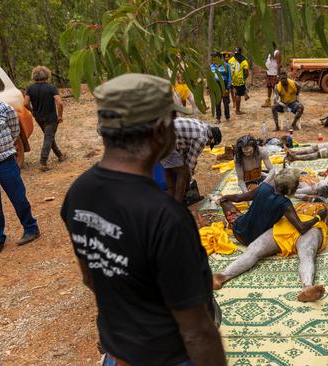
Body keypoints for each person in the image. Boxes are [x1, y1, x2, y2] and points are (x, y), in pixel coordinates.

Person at [60, 73, 226, 366]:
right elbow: (196, 332)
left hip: (118, 353)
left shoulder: (78, 193)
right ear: (161, 129)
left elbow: (90, 277)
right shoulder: (166, 218)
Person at [212, 175, 328, 301]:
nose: (316, 196)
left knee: (306, 253)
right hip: (286, 227)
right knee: (255, 248)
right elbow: (291, 195)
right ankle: (221, 277)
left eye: (320, 194)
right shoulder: (297, 201)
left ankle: (307, 288)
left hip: (311, 230)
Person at [0, 73, 40, 256]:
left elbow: (15, 129)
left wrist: (4, 148)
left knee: (18, 198)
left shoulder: (1, 107)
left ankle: (31, 228)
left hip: (6, 163)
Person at [161, 117, 222, 203]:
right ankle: (178, 203)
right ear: (211, 139)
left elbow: (185, 149)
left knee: (169, 169)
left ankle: (171, 199)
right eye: (210, 144)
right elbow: (190, 163)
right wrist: (189, 180)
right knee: (183, 172)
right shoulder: (202, 139)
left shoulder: (203, 126)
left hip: (161, 134)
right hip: (167, 141)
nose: (207, 145)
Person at [24, 65, 65, 171]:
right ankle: (43, 162)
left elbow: (25, 103)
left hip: (39, 117)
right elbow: (59, 103)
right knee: (48, 137)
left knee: (49, 136)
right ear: (47, 75)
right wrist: (60, 116)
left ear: (34, 76)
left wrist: (32, 111)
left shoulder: (30, 88)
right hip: (51, 118)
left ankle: (60, 155)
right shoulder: (51, 88)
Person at [209, 51, 231, 123]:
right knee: (217, 103)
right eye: (212, 57)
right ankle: (218, 118)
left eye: (214, 57)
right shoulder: (211, 66)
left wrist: (228, 88)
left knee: (225, 102)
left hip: (224, 85)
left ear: (219, 57)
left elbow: (229, 77)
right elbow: (209, 78)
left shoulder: (226, 65)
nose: (213, 58)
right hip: (215, 86)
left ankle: (227, 117)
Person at [228, 47, 250, 115]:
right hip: (239, 79)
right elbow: (246, 72)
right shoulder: (243, 60)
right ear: (241, 52)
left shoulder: (230, 60)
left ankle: (245, 95)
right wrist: (245, 78)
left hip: (231, 78)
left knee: (234, 92)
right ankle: (237, 110)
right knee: (238, 94)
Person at [262, 42, 281, 108]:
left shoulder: (277, 53)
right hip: (269, 73)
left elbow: (278, 64)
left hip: (274, 74)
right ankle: (268, 101)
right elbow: (268, 62)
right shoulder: (270, 53)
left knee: (275, 88)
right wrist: (266, 71)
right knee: (269, 87)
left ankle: (277, 103)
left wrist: (278, 75)